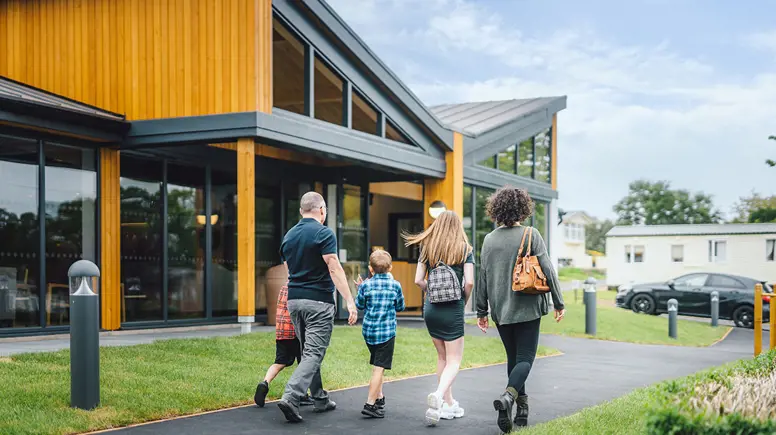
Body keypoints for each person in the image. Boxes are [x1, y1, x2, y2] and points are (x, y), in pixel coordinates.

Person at [475, 187, 565, 433]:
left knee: (514, 360)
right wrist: (559, 302)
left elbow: (482, 278)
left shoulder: (489, 239)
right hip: (527, 309)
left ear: (497, 209)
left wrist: (481, 311)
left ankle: (521, 412)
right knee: (525, 359)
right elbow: (547, 269)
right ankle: (508, 398)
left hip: (500, 311)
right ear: (523, 209)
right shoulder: (531, 233)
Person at [276, 192, 358, 423]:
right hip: (318, 301)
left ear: (302, 210)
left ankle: (320, 398)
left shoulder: (289, 236)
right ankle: (291, 397)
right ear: (321, 209)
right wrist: (349, 301)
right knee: (314, 352)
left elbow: (289, 271)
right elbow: (334, 268)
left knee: (308, 351)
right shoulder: (324, 233)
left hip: (294, 300)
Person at [404, 211, 474, 427]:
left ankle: (448, 403)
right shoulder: (465, 249)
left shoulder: (427, 248)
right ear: (457, 227)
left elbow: (418, 280)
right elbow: (469, 282)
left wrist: (433, 290)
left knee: (442, 357)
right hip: (452, 308)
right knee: (454, 360)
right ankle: (438, 394)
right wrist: (462, 298)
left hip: (431, 308)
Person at [354, 250, 405, 419]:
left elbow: (360, 305)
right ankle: (370, 404)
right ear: (390, 267)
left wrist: (359, 288)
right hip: (386, 333)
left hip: (369, 333)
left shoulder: (366, 285)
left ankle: (380, 398)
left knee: (378, 365)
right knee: (378, 369)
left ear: (371, 268)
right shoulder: (395, 285)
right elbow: (400, 307)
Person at [253, 283, 314, 408]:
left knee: (279, 362)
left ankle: (265, 382)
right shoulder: (301, 288)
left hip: (282, 331)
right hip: (295, 332)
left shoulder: (283, 287)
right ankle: (302, 395)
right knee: (304, 363)